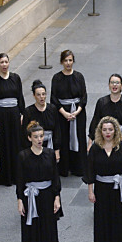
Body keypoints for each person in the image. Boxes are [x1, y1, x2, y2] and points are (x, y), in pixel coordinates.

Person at [85, 116, 122, 242]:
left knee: (119, 220)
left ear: (115, 131)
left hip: (118, 189)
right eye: (105, 130)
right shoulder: (95, 148)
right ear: (100, 131)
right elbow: (90, 171)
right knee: (102, 220)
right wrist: (90, 191)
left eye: (110, 129)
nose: (108, 132)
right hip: (101, 189)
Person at [18, 121, 63, 242]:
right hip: (30, 197)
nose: (39, 139)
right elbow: (20, 180)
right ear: (29, 138)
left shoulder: (50, 154)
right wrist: (19, 200)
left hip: (47, 196)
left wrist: (57, 197)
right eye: (36, 137)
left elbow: (55, 177)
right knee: (31, 230)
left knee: (48, 228)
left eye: (41, 136)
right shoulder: (23, 156)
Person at [0, 53, 26, 187]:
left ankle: (17, 175)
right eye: (1, 62)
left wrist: (22, 113)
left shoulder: (16, 78)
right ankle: (5, 176)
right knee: (3, 143)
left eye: (6, 62)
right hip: (1, 116)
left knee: (15, 143)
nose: (4, 65)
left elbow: (20, 97)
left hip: (14, 114)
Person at [50, 49, 88, 177]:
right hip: (62, 113)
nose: (68, 63)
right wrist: (65, 113)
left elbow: (83, 96)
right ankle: (65, 167)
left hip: (77, 112)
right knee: (64, 138)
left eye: (70, 60)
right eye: (65, 60)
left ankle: (79, 167)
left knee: (78, 137)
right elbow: (54, 98)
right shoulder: (57, 78)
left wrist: (76, 112)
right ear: (61, 62)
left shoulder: (79, 76)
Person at [89, 74, 122, 152]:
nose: (114, 85)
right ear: (109, 85)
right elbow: (95, 121)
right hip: (105, 139)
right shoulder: (101, 102)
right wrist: (90, 143)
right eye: (112, 82)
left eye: (117, 83)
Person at [22, 79, 61, 162]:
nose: (42, 97)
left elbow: (57, 130)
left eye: (43, 94)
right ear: (34, 96)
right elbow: (24, 133)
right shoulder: (28, 111)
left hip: (50, 144)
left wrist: (57, 150)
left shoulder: (52, 109)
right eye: (38, 95)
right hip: (34, 146)